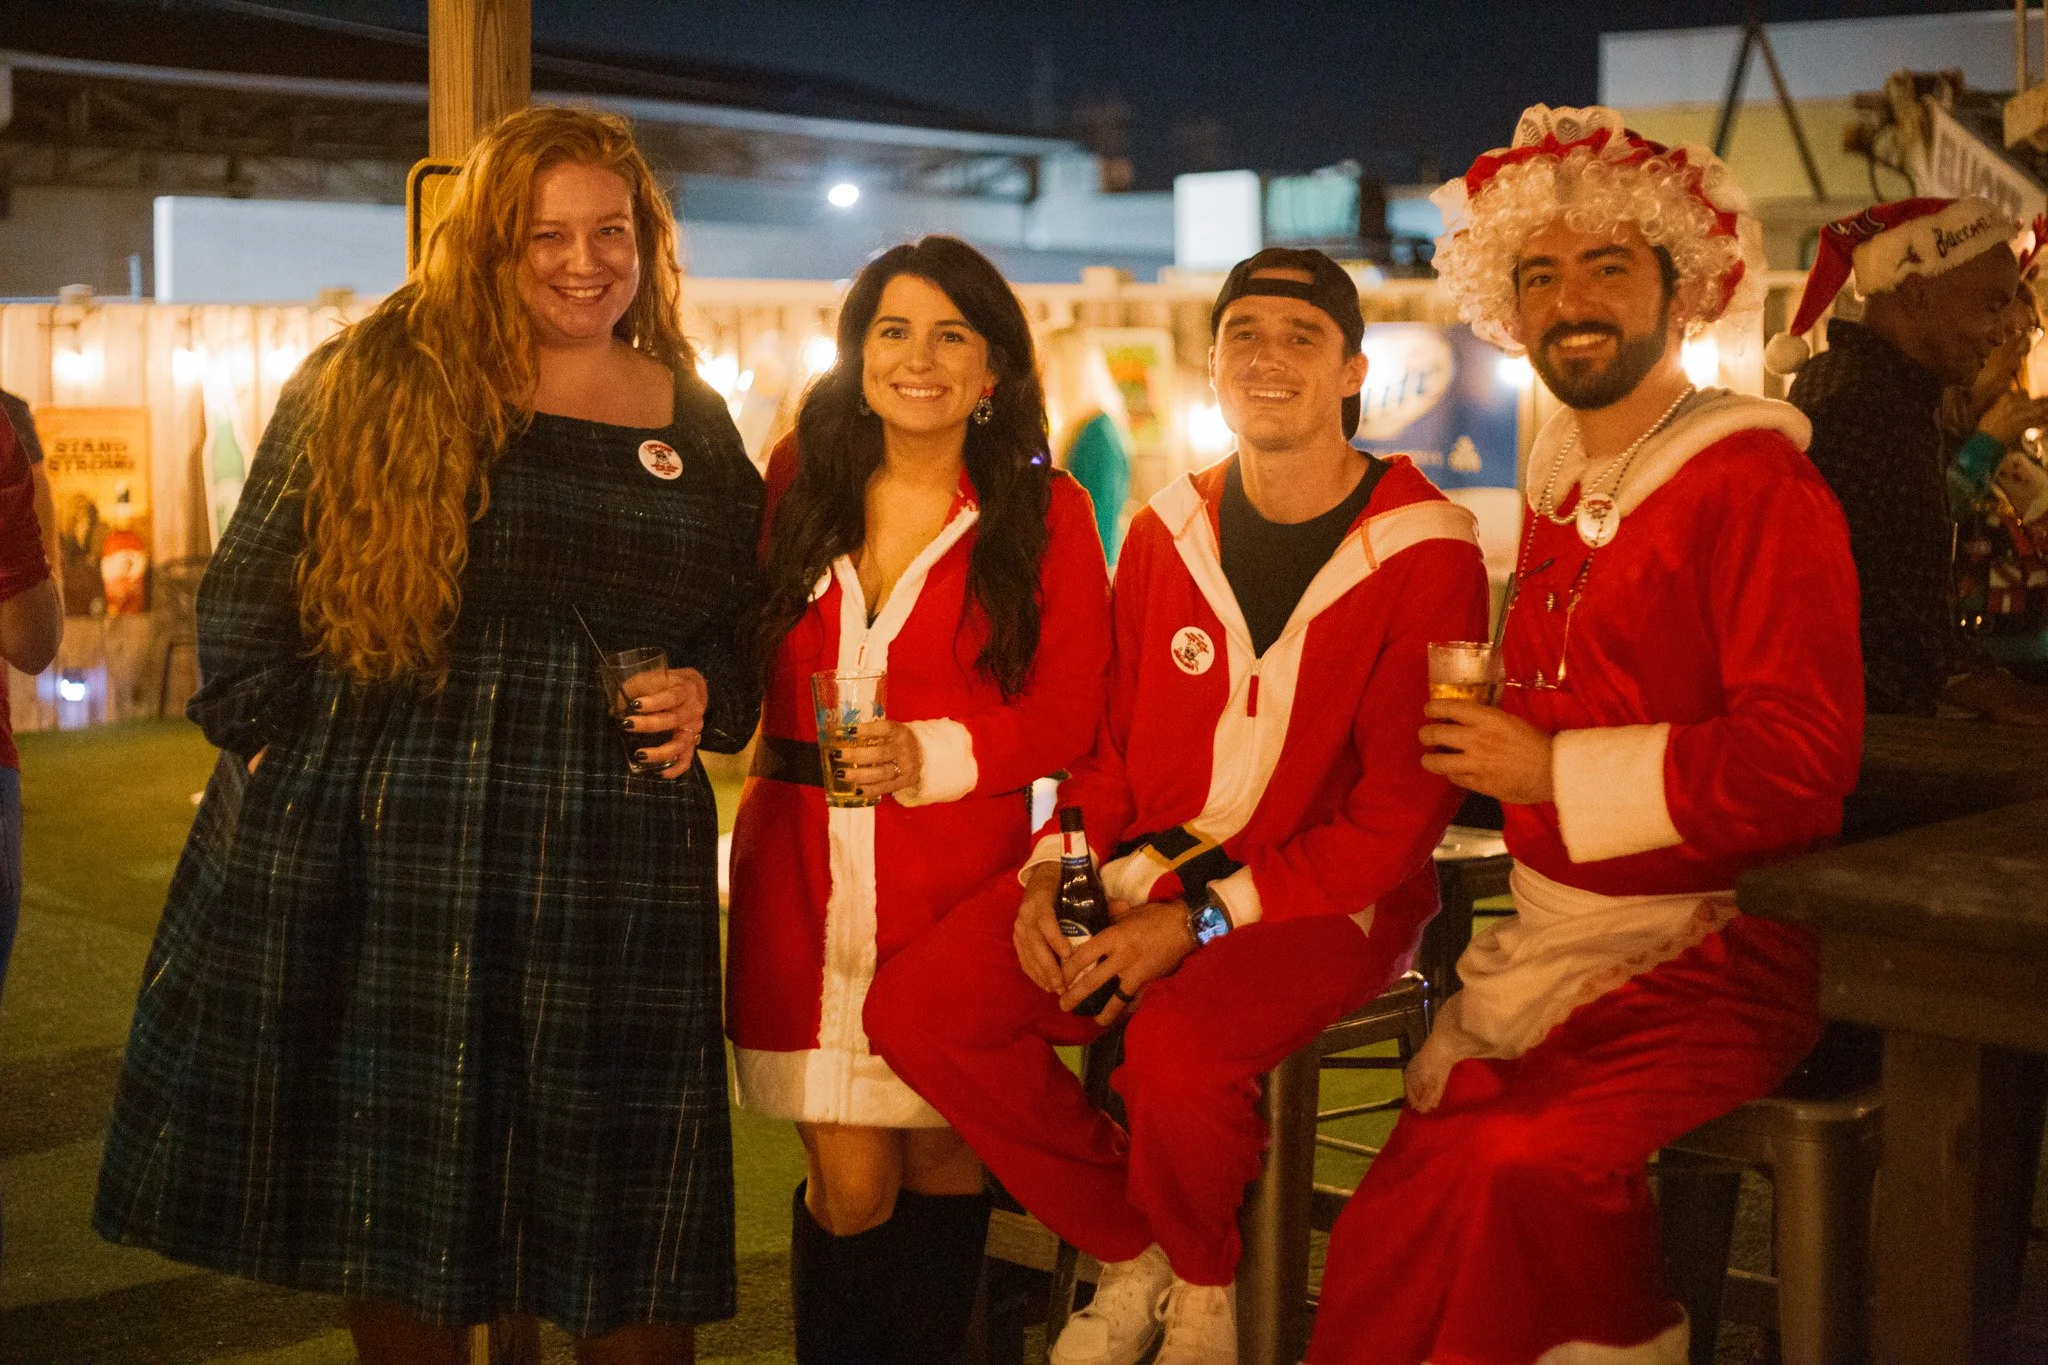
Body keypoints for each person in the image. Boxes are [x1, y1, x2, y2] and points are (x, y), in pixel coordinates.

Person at [93, 106, 762, 1365]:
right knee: (406, 1206)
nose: (581, 261)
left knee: (631, 1220)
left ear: (646, 243)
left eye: (608, 232)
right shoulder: (376, 374)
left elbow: (741, 620)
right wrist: (296, 771)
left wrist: (705, 692)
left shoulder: (694, 415)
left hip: (614, 859)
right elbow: (246, 601)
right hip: (401, 851)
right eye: (542, 234)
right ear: (486, 243)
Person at [1303, 104, 1865, 1364]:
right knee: (1401, 1205)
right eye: (1539, 274)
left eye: (1607, 266)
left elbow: (1800, 767)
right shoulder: (1561, 472)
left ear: (1682, 288)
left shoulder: (1757, 484)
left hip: (1723, 948)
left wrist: (1546, 768)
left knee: (1509, 1159)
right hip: (1545, 940)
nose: (1570, 299)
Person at [865, 245, 1489, 1365]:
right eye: (1242, 336)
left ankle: (1207, 1294)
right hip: (1144, 870)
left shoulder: (1424, 547)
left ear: (1352, 371)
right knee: (917, 1009)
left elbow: (1394, 821)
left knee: (1179, 1054)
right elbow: (1102, 758)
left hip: (1322, 906)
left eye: (1299, 338)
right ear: (1209, 371)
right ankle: (1140, 1242)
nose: (1266, 358)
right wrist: (1051, 875)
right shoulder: (1163, 530)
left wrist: (1193, 923)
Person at [726, 235, 1113, 1364]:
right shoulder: (797, 477)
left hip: (954, 879)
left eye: (952, 335)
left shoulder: (1047, 513)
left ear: (994, 370)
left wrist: (932, 752)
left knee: (945, 1163)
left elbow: (1066, 716)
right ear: (857, 354)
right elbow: (722, 625)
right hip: (795, 870)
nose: (920, 358)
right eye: (892, 330)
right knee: (850, 1181)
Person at [1775, 196, 2048, 724]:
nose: (2001, 335)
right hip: (1861, 748)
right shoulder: (1857, 407)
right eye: (1993, 307)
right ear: (1918, 292)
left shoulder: (1891, 395)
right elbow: (1863, 625)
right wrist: (1990, 690)